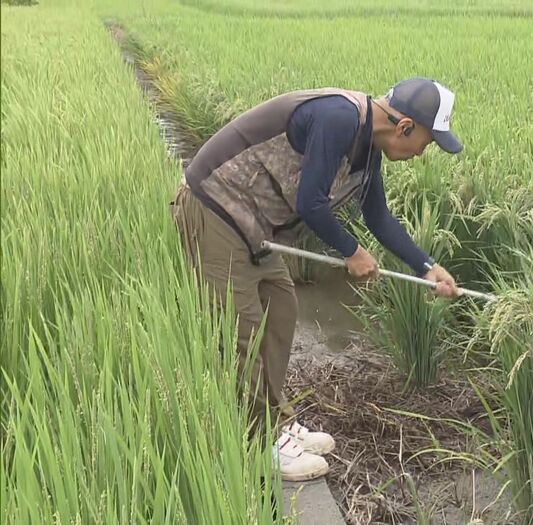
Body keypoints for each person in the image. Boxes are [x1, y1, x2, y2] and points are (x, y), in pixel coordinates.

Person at [169, 77, 463, 481]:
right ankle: (259, 443)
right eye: (426, 143)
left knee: (282, 311)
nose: (421, 153)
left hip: (256, 224)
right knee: (242, 330)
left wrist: (426, 267)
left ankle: (276, 422)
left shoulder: (368, 150)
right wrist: (351, 251)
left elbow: (377, 216)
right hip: (215, 207)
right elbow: (311, 201)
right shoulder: (340, 118)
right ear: (405, 126)